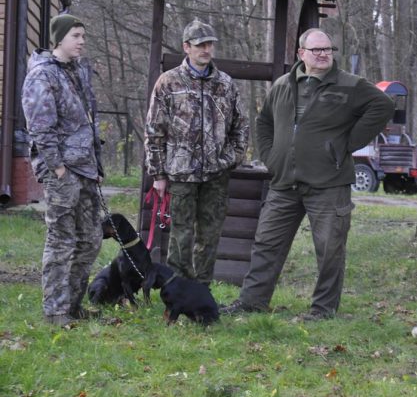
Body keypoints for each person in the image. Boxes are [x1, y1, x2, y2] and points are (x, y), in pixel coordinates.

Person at [220, 28, 394, 320]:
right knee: (266, 243)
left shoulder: (350, 85)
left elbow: (384, 105)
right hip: (284, 183)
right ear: (301, 54)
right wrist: (271, 156)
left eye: (328, 49)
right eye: (317, 50)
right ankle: (252, 302)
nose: (324, 54)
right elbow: (265, 122)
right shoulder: (283, 85)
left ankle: (323, 310)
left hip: (329, 183)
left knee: (329, 249)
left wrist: (346, 144)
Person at [144, 19, 249, 284]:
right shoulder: (168, 83)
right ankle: (178, 291)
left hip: (216, 175)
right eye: (200, 44)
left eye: (209, 44)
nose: (206, 49)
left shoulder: (225, 84)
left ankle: (202, 292)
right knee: (181, 237)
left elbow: (241, 126)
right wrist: (158, 173)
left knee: (210, 236)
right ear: (186, 47)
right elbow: (154, 130)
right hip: (180, 174)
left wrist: (231, 158)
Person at [22, 13, 104, 326]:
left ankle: (71, 305)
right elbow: (40, 128)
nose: (81, 41)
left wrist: (95, 165)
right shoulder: (42, 75)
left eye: (83, 36)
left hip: (85, 168)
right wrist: (57, 168)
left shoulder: (80, 70)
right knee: (61, 242)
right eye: (76, 36)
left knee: (90, 240)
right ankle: (55, 312)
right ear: (59, 39)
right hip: (62, 172)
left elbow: (87, 121)